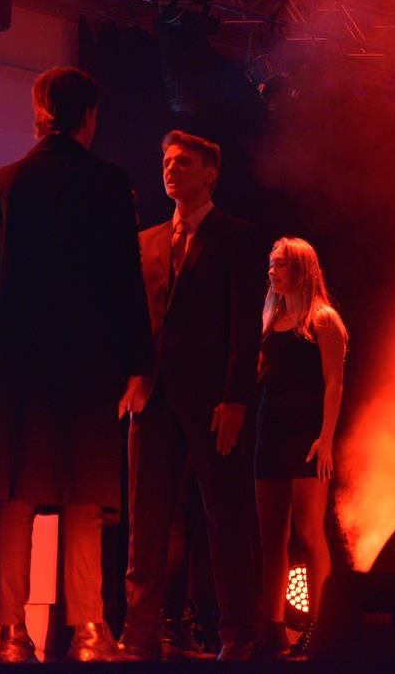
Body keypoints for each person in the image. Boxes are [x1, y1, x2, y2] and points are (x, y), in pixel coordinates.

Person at [0, 66, 152, 663]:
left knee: (15, 499)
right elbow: (125, 282)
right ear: (89, 116)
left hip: (18, 367)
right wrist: (138, 364)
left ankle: (11, 635)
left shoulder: (4, 182)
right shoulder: (109, 182)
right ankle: (90, 632)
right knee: (84, 498)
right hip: (85, 364)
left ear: (40, 111)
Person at [118, 130, 263, 661]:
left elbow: (243, 326)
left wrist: (236, 398)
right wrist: (131, 377)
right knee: (147, 521)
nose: (171, 169)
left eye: (183, 162)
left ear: (211, 173)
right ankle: (139, 632)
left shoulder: (236, 236)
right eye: (167, 162)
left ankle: (238, 633)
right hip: (153, 399)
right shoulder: (149, 240)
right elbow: (136, 320)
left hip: (211, 402)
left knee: (225, 518)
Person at [253, 237, 348, 659]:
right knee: (271, 536)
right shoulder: (271, 317)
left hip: (306, 435)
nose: (272, 272)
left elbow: (334, 383)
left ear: (301, 270)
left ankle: (320, 626)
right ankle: (272, 628)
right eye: (271, 265)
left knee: (309, 533)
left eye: (280, 265)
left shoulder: (323, 320)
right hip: (270, 432)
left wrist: (326, 438)